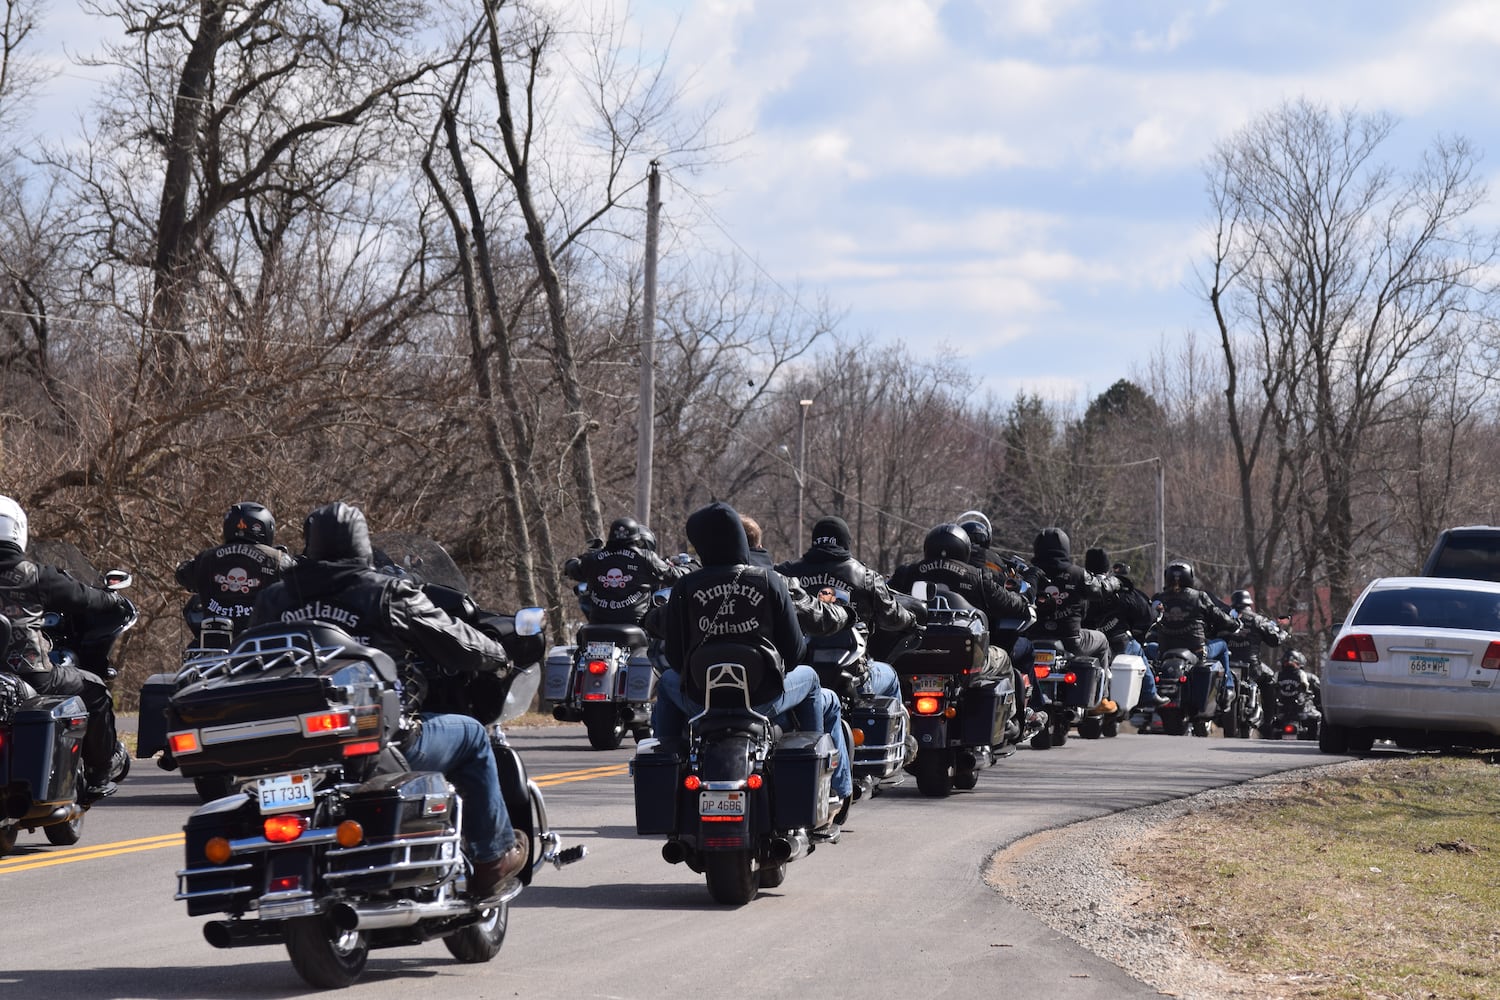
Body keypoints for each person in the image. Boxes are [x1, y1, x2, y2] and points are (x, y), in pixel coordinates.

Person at [251, 501, 527, 899]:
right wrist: (498, 654)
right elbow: (455, 640)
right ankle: (492, 857)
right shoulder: (384, 592)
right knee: (470, 737)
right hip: (377, 746)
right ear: (362, 545)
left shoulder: (273, 600)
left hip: (297, 750)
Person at [650, 501, 854, 815]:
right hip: (762, 700)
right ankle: (821, 783)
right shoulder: (769, 580)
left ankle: (668, 771)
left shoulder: (685, 587)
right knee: (811, 679)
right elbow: (796, 652)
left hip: (702, 702)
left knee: (666, 682)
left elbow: (675, 658)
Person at [0, 494, 132, 801]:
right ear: (18, 530)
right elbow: (85, 597)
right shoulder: (35, 575)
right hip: (32, 675)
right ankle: (101, 771)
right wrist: (112, 599)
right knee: (96, 689)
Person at [889, 523, 1037, 725]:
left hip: (910, 656)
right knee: (1003, 659)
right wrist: (1026, 595)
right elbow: (1013, 605)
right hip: (963, 659)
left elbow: (884, 602)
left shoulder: (907, 573)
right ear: (964, 549)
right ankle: (1008, 720)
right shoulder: (977, 576)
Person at [774, 515, 914, 702]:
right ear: (845, 542)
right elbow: (891, 616)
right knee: (890, 676)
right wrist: (912, 619)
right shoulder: (865, 577)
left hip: (802, 671)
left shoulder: (786, 573)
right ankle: (895, 732)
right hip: (854, 672)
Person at [174, 502, 295, 640]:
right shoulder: (278, 559)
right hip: (262, 644)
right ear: (265, 528)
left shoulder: (205, 559)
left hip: (216, 645)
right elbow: (301, 576)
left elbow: (182, 575)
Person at [1148, 560, 1242, 708]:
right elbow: (1219, 616)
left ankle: (1148, 691)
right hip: (1196, 652)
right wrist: (1235, 624)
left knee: (1148, 648)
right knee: (1222, 645)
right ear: (1189, 577)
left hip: (1164, 652)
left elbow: (1149, 618)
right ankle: (1228, 688)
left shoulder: (1159, 598)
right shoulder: (1199, 597)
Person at [1081, 548, 1167, 708]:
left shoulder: (1079, 586)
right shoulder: (1117, 589)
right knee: (1138, 649)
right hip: (1117, 643)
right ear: (1106, 568)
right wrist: (1155, 611)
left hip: (1085, 643)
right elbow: (1146, 614)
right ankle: (1149, 694)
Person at [564, 516, 686, 626]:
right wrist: (690, 568)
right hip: (635, 624)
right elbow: (675, 576)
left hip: (598, 623)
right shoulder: (646, 557)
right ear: (637, 539)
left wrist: (572, 562)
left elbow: (574, 570)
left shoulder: (593, 558)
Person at [1029, 527, 1118, 673]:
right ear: (1065, 547)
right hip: (1071, 640)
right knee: (1102, 640)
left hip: (1033, 637)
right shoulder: (1077, 574)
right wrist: (1116, 582)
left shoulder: (1029, 573)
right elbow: (1101, 589)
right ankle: (1104, 694)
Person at [1224, 589, 1290, 710]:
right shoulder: (1257, 620)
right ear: (1249, 603)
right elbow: (1274, 641)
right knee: (1270, 678)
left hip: (1227, 665)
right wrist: (1283, 635)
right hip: (1252, 666)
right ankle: (1268, 720)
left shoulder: (1224, 619)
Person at [1274, 649, 1321, 720]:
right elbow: (1319, 697)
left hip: (1288, 713)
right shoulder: (1311, 677)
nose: (1290, 663)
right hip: (1284, 713)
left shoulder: (1276, 676)